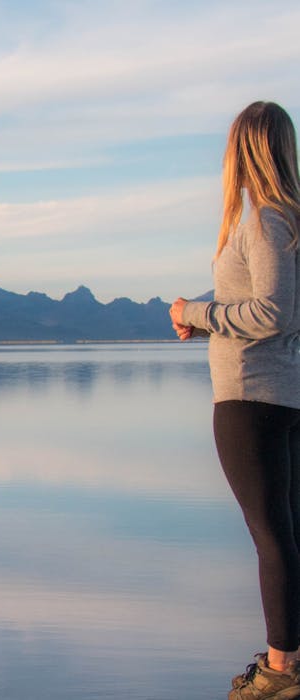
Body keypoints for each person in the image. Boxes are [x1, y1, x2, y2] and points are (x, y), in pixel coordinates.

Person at [170, 100, 300, 700]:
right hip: (283, 397)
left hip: (251, 398)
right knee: (285, 530)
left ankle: (280, 673)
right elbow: (269, 307)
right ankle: (287, 659)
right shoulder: (287, 223)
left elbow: (271, 314)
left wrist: (195, 312)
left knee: (271, 534)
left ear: (243, 150)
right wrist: (210, 320)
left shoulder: (266, 219)